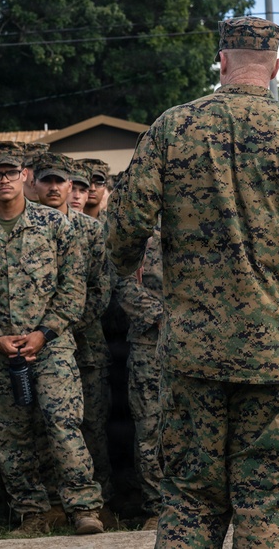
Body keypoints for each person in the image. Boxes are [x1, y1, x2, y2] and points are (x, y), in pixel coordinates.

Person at [107, 16, 279, 548]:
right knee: (268, 498)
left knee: (188, 496)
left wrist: (128, 260)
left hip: (192, 352)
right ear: (274, 68)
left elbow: (125, 226)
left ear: (222, 61)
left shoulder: (173, 128)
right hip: (276, 354)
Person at [0, 141, 104, 536]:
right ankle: (32, 513)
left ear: (25, 175)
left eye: (11, 172)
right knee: (8, 435)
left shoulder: (57, 226)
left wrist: (44, 333)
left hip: (52, 347)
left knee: (63, 424)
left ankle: (83, 508)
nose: (4, 179)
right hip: (0, 353)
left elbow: (73, 289)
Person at [33, 152, 114, 518]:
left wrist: (67, 323)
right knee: (46, 421)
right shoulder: (31, 224)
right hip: (42, 343)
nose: (56, 188)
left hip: (85, 341)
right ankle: (52, 500)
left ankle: (102, 500)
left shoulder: (91, 230)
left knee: (91, 423)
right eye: (46, 181)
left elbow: (100, 287)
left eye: (63, 183)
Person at [114, 224, 164, 530]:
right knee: (149, 427)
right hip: (149, 345)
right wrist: (165, 318)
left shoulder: (207, 230)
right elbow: (122, 282)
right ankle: (157, 506)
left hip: (201, 347)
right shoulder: (139, 238)